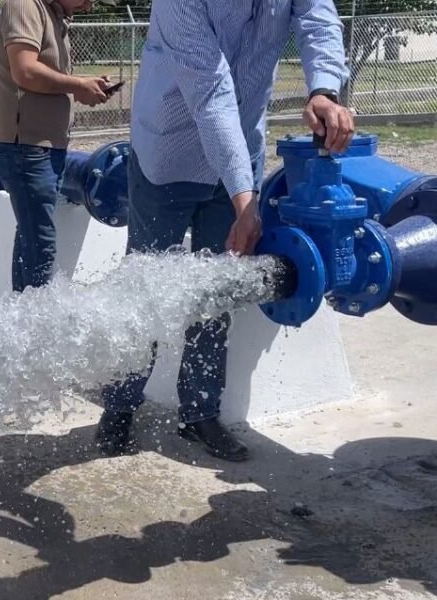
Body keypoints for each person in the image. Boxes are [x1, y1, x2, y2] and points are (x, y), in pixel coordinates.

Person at [95, 0, 356, 462]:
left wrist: (324, 90)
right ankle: (119, 406)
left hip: (240, 151)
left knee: (218, 290)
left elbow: (318, 19)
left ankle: (200, 413)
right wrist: (245, 201)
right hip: (168, 153)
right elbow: (211, 93)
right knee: (144, 289)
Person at [0, 0, 117, 293]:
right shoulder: (24, 5)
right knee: (39, 244)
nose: (88, 6)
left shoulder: (52, 12)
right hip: (26, 148)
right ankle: (36, 316)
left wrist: (84, 85)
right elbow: (25, 71)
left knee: (31, 237)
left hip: (40, 148)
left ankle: (23, 311)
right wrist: (78, 86)